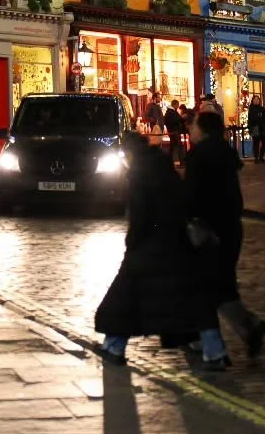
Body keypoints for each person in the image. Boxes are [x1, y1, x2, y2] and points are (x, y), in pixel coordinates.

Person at [94, 130, 229, 370]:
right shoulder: (165, 169)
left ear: (128, 154)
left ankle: (113, 346)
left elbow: (141, 217)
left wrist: (134, 241)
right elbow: (184, 201)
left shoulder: (138, 176)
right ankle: (214, 351)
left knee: (125, 300)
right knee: (194, 301)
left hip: (149, 249)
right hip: (178, 245)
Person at [185, 110, 265, 358]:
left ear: (204, 130)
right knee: (223, 284)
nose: (190, 130)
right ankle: (250, 328)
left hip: (208, 230)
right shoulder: (225, 153)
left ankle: (204, 339)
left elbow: (192, 195)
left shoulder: (198, 156)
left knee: (203, 284)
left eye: (194, 126)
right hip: (231, 228)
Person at [247, 94, 265, 164]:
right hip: (255, 128)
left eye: (257, 99)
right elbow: (252, 118)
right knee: (256, 143)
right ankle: (256, 158)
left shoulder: (261, 108)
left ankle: (261, 156)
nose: (256, 101)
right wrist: (259, 116)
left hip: (262, 128)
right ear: (252, 101)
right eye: (255, 99)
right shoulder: (251, 109)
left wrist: (262, 116)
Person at [164, 100, 187, 165]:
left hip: (174, 131)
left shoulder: (171, 112)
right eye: (177, 105)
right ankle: (182, 162)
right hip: (174, 131)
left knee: (173, 147)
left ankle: (169, 161)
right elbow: (175, 120)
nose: (178, 106)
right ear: (175, 104)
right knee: (179, 146)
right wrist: (182, 118)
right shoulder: (171, 112)